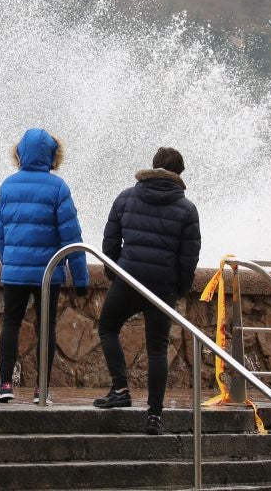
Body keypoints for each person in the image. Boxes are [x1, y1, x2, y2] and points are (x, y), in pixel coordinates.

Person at [93, 147, 201, 436]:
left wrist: (113, 273)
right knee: (157, 348)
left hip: (128, 280)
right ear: (179, 173)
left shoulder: (127, 197)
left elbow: (110, 242)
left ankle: (120, 388)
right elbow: (189, 257)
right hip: (162, 288)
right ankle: (154, 416)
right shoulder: (187, 209)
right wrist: (179, 289)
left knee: (107, 327)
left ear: (153, 167)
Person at [0, 128, 89, 404]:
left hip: (15, 272)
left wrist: (8, 262)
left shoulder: (7, 186)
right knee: (45, 326)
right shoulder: (58, 188)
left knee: (10, 324)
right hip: (49, 274)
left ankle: (6, 384)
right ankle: (41, 388)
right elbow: (72, 235)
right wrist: (80, 279)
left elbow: (1, 234)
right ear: (52, 155)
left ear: (20, 153)